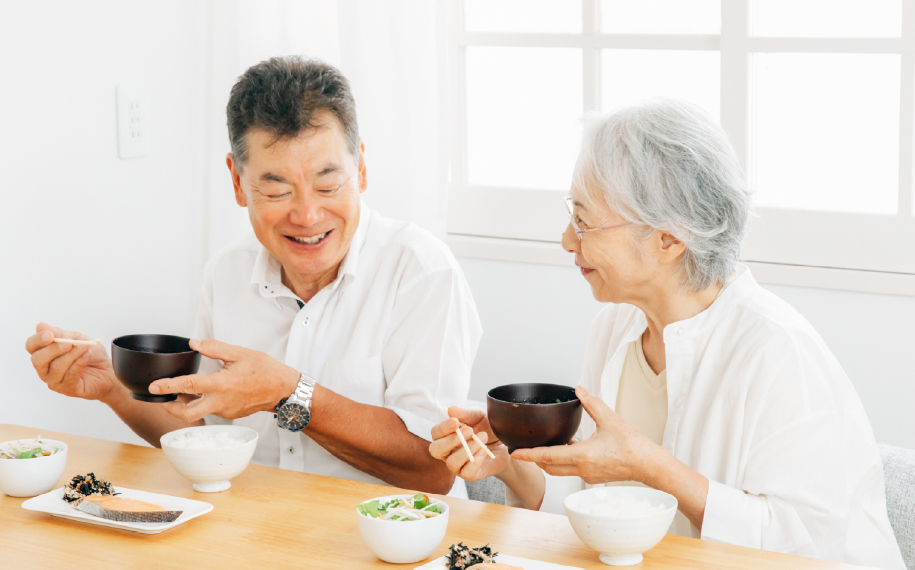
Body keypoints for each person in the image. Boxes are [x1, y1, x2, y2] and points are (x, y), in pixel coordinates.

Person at [429, 100, 905, 567]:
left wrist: (651, 466)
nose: (566, 240)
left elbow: (805, 547)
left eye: (583, 220)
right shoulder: (616, 327)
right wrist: (509, 459)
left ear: (669, 239)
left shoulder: (778, 352)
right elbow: (593, 505)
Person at [25, 56, 481, 495]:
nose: (307, 214)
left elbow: (433, 470)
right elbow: (198, 430)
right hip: (252, 525)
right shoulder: (226, 273)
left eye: (327, 184)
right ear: (238, 183)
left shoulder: (422, 271)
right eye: (276, 188)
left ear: (360, 168)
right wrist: (115, 388)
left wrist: (289, 394)